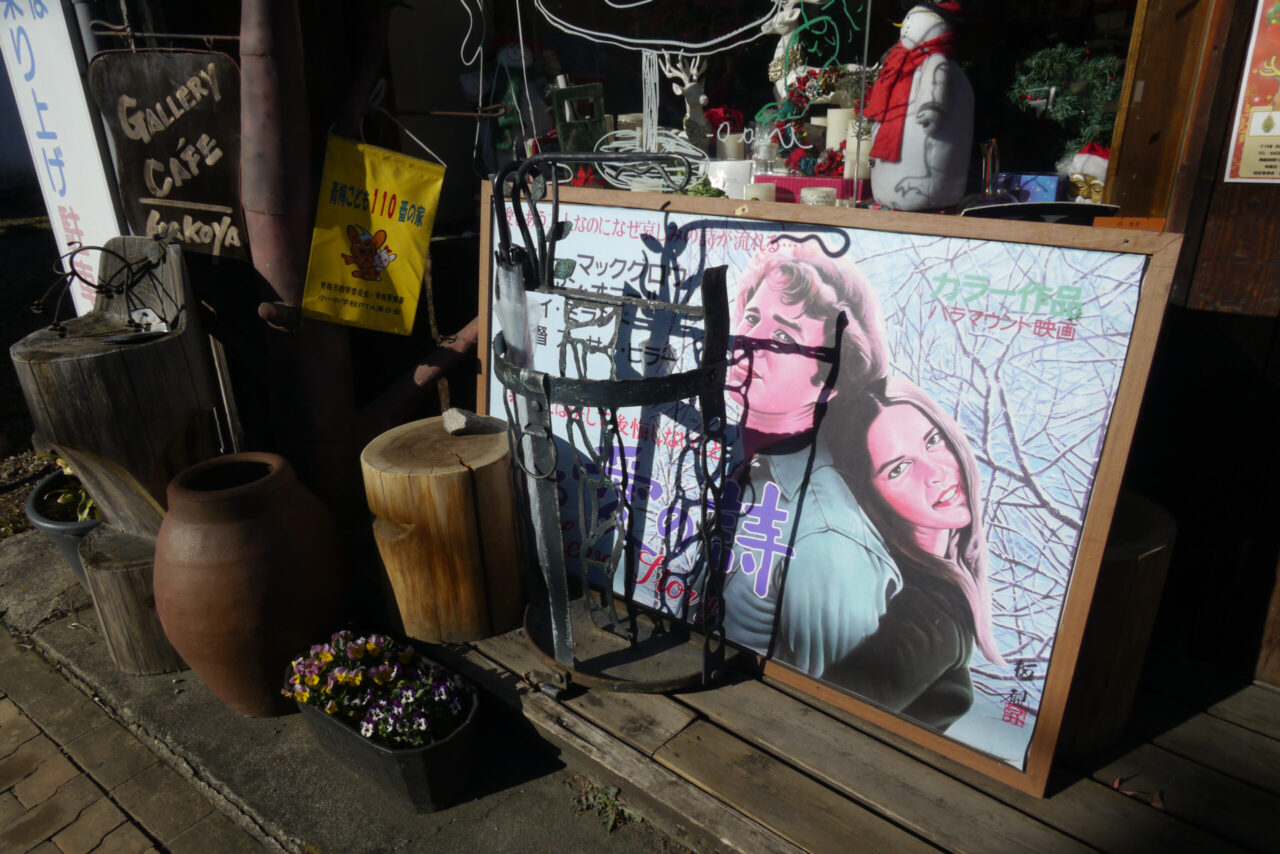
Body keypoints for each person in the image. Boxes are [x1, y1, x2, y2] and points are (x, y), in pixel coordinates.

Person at [717, 239, 900, 679]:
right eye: (752, 318)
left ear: (831, 380)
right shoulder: (735, 462)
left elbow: (823, 704)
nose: (748, 343)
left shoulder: (828, 539)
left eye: (783, 337)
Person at [824, 376, 1005, 730]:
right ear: (869, 496)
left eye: (933, 440)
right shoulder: (922, 614)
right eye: (899, 468)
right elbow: (829, 722)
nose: (936, 472)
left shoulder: (925, 592)